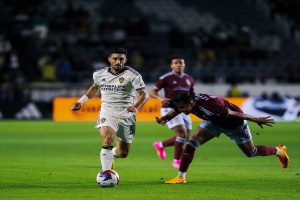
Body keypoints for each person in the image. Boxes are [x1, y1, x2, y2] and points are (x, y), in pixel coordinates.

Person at [156, 93, 290, 184]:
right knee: (191, 144)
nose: (180, 109)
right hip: (213, 122)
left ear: (191, 103)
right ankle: (180, 178)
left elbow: (234, 113)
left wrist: (256, 119)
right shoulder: (186, 103)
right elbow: (177, 109)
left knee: (251, 152)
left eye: (182, 107)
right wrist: (165, 118)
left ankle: (279, 151)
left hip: (234, 125)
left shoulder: (212, 105)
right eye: (179, 106)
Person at [71, 47, 149, 181]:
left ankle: (111, 155)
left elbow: (144, 94)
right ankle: (106, 174)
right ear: (109, 59)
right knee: (108, 137)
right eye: (115, 59)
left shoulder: (133, 75)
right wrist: (81, 101)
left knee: (123, 153)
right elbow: (95, 88)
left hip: (126, 115)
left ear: (125, 60)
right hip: (108, 112)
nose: (118, 61)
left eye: (121, 59)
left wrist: (135, 107)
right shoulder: (99, 74)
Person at [150, 56, 195, 168]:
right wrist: (161, 99)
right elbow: (152, 92)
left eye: (181, 63)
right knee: (182, 134)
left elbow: (192, 95)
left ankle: (160, 144)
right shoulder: (166, 77)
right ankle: (176, 161)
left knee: (186, 137)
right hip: (170, 108)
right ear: (172, 65)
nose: (179, 65)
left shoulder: (189, 79)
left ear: (184, 65)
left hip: (183, 110)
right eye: (176, 63)